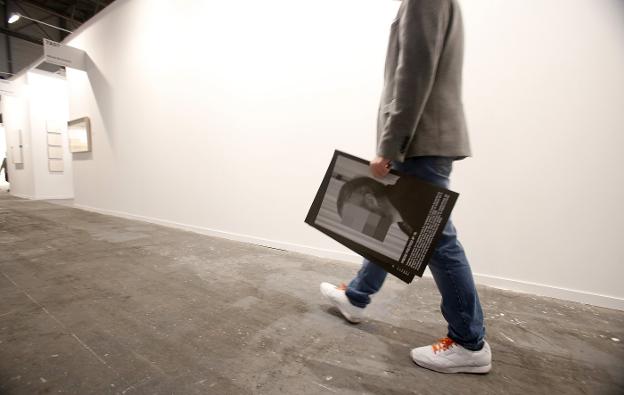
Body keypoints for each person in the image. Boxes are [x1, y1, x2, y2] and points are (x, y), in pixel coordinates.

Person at [320, 0, 491, 374]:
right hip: (423, 140)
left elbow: (412, 75)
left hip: (420, 142)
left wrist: (390, 144)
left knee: (436, 239)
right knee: (400, 225)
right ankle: (357, 296)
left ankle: (468, 342)